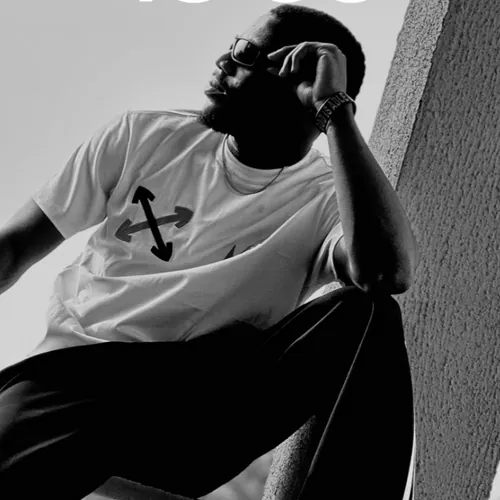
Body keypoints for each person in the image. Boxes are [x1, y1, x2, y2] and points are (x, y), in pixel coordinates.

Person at [0, 4, 419, 500]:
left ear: (300, 83)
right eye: (232, 46)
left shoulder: (326, 198)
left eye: (246, 55)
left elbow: (386, 273)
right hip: (74, 378)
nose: (223, 62)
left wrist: (334, 110)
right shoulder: (145, 136)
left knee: (365, 316)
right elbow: (13, 248)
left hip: (198, 404)